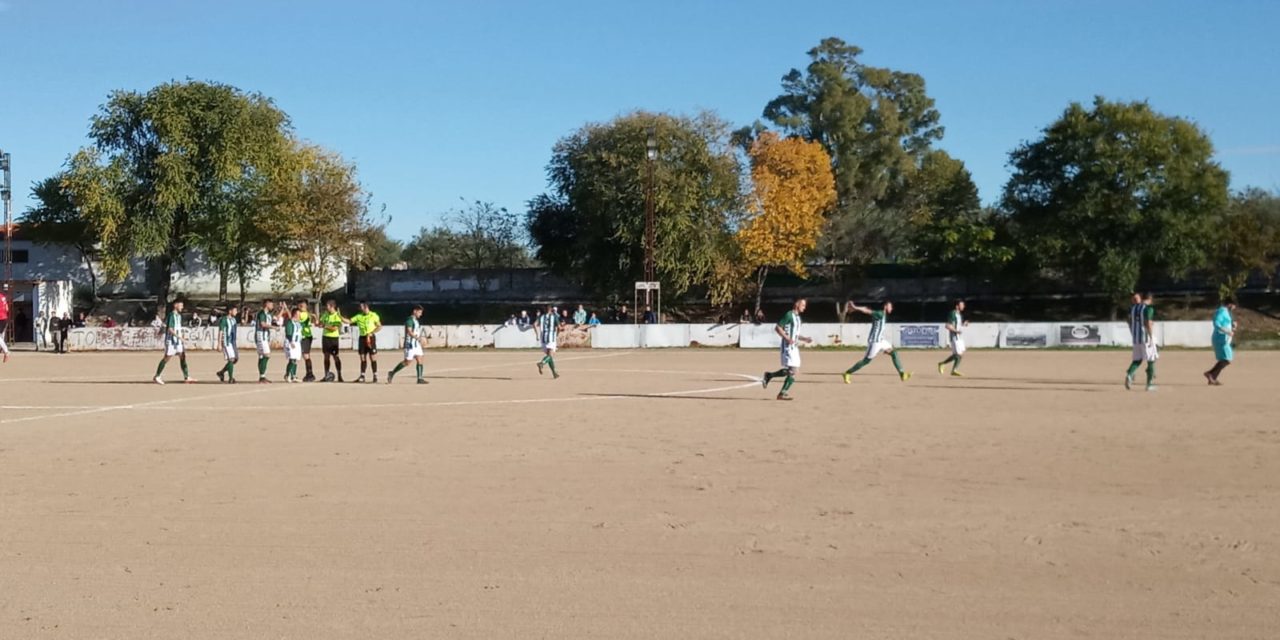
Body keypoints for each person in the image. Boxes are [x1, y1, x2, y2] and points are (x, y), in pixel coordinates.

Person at [842, 301, 912, 383]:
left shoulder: (882, 314)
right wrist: (855, 307)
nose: (891, 308)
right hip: (875, 341)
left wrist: (856, 308)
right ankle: (847, 373)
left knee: (894, 352)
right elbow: (867, 311)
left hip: (881, 340)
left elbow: (866, 308)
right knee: (866, 361)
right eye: (890, 306)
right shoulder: (880, 314)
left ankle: (902, 374)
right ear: (885, 306)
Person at [762, 299, 813, 401]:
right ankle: (781, 393)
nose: (804, 307)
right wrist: (787, 338)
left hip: (794, 347)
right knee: (793, 370)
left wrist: (805, 339)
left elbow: (796, 334)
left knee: (793, 371)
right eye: (803, 305)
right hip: (788, 346)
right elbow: (778, 328)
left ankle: (770, 376)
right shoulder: (789, 315)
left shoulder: (798, 318)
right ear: (796, 304)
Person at [153, 300, 195, 384]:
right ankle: (157, 376)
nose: (182, 307)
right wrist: (180, 338)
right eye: (181, 305)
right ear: (175, 305)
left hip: (178, 341)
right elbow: (170, 329)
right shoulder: (171, 315)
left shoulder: (179, 316)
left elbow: (178, 328)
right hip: (171, 341)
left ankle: (186, 377)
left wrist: (182, 337)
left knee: (183, 356)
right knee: (167, 357)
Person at [1125, 293, 1158, 391]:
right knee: (1151, 360)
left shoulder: (1133, 308)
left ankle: (1130, 375)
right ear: (1150, 299)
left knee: (1137, 359)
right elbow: (1148, 323)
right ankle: (1149, 384)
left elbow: (1129, 321)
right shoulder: (1148, 308)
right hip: (1146, 338)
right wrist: (1151, 336)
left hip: (1136, 338)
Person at [388, 305, 428, 385]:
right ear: (414, 311)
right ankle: (392, 373)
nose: (421, 314)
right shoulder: (409, 320)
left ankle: (420, 378)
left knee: (420, 359)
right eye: (419, 312)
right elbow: (409, 332)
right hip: (410, 344)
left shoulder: (416, 321)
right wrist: (418, 338)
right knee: (407, 362)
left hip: (416, 344)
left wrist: (420, 339)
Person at [1205, 299, 1237, 386]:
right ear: (1230, 304)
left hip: (1223, 339)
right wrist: (1227, 331)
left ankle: (1212, 377)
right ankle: (1211, 374)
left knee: (1225, 359)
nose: (1234, 308)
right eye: (1234, 306)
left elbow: (1225, 324)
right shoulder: (1222, 312)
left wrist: (1232, 326)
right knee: (1227, 359)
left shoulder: (1226, 312)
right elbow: (1217, 323)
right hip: (1221, 339)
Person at [350, 301, 382, 383]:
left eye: (361, 306)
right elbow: (349, 321)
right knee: (362, 357)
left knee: (373, 357)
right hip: (362, 338)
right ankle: (362, 375)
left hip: (370, 337)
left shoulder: (373, 315)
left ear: (365, 307)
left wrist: (371, 332)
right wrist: (341, 317)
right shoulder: (359, 316)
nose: (359, 308)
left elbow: (379, 326)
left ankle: (375, 375)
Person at [318, 299, 348, 382]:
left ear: (332, 306)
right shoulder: (326, 314)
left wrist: (325, 326)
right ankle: (326, 374)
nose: (326, 307)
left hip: (333, 338)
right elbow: (321, 322)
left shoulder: (337, 316)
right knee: (326, 357)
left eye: (327, 306)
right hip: (325, 337)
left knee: (335, 357)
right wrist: (319, 323)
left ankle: (339, 375)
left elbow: (335, 328)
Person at [938, 300, 968, 377]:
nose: (963, 306)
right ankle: (949, 367)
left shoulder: (959, 315)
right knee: (958, 354)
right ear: (957, 306)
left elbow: (958, 325)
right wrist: (956, 331)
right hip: (955, 336)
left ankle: (944, 365)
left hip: (959, 337)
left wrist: (963, 324)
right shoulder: (952, 313)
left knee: (959, 354)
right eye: (962, 305)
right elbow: (947, 325)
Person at [215, 303, 240, 384]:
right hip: (226, 342)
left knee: (235, 359)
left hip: (232, 342)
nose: (236, 312)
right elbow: (221, 331)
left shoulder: (234, 320)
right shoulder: (224, 320)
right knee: (231, 359)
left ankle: (221, 372)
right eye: (235, 310)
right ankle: (231, 378)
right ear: (230, 311)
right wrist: (219, 343)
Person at [536, 303, 560, 379]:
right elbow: (559, 327)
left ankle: (554, 373)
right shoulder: (554, 316)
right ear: (551, 309)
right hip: (551, 337)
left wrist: (537, 334)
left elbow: (534, 324)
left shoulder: (541, 316)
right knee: (550, 356)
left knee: (549, 356)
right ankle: (542, 363)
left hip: (543, 338)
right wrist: (557, 334)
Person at [254, 299, 276, 384]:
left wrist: (283, 309)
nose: (272, 306)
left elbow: (276, 318)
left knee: (262, 356)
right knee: (267, 354)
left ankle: (262, 376)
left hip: (265, 336)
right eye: (271, 304)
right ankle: (262, 376)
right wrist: (273, 327)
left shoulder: (268, 314)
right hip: (260, 335)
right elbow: (263, 324)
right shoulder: (262, 313)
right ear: (267, 304)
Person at [296, 300, 317, 382]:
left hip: (305, 336)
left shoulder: (303, 314)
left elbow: (296, 320)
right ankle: (309, 374)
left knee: (306, 355)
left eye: (302, 305)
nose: (300, 307)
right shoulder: (306, 314)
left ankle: (310, 374)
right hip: (304, 336)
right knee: (304, 355)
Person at [283, 307, 303, 383]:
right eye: (298, 314)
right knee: (292, 359)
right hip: (291, 342)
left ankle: (293, 376)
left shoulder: (298, 323)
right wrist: (291, 342)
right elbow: (288, 333)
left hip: (297, 343)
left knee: (295, 359)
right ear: (294, 314)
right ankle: (287, 375)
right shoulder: (290, 322)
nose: (299, 316)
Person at [0, 286, 10, 363]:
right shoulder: (3, 297)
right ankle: (5, 351)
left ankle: (6, 352)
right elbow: (7, 308)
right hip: (4, 318)